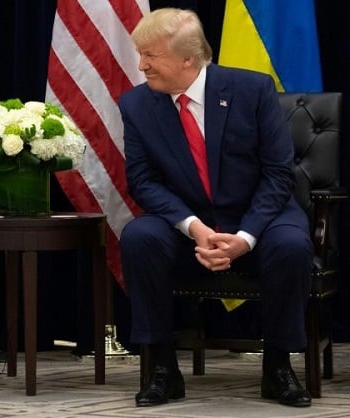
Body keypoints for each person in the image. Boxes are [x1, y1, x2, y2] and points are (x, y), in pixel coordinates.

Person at [118, 8, 313, 408]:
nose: (141, 65)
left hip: (260, 216)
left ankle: (278, 365)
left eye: (150, 55)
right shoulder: (137, 105)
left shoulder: (252, 90)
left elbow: (278, 173)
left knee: (292, 246)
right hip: (187, 223)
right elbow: (143, 181)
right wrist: (194, 228)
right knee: (139, 238)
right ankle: (162, 367)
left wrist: (244, 237)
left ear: (188, 58)